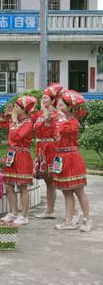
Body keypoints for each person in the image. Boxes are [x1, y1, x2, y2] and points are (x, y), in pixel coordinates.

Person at [54, 90, 92, 232]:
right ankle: (69, 220)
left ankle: (88, 219)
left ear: (69, 107)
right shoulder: (59, 120)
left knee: (78, 190)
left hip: (72, 157)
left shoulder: (73, 121)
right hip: (61, 158)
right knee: (66, 191)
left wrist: (62, 119)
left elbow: (66, 132)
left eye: (62, 104)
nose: (59, 106)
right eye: (59, 103)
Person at [0, 96, 36, 226]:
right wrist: (7, 116)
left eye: (17, 107)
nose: (14, 109)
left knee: (22, 186)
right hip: (12, 155)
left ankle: (24, 215)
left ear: (24, 109)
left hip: (22, 155)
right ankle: (13, 212)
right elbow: (2, 124)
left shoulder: (28, 123)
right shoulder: (18, 121)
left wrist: (14, 120)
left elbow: (15, 137)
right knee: (9, 185)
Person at [32, 84, 62, 219]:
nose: (43, 100)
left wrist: (44, 113)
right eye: (42, 98)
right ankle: (50, 210)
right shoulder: (39, 113)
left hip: (50, 147)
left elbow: (53, 127)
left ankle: (52, 210)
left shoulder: (55, 113)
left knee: (52, 180)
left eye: (45, 98)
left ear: (52, 99)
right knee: (47, 180)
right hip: (40, 147)